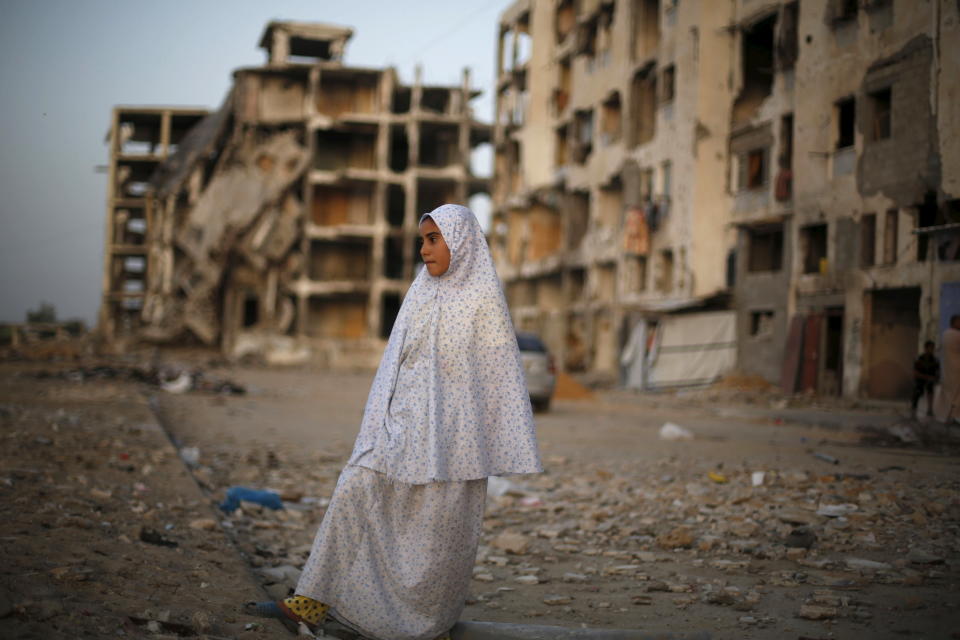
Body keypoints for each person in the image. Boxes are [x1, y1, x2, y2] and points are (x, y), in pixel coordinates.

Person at [246, 204, 542, 640]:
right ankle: (310, 599)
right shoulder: (419, 290)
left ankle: (418, 626)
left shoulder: (484, 302)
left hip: (453, 448)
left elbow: (498, 385)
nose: (424, 250)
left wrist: (479, 445)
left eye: (433, 239)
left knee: (433, 540)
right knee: (356, 488)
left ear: (460, 242)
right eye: (422, 240)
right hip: (399, 431)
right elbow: (394, 365)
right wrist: (378, 425)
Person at [934, 314, 960, 424]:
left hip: (947, 368)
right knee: (956, 394)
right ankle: (955, 416)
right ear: (954, 322)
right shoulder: (956, 335)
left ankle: (946, 416)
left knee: (949, 393)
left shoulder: (945, 334)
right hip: (956, 368)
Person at [911, 340, 939, 417]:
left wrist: (934, 378)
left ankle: (930, 410)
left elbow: (937, 373)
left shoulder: (935, 360)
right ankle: (913, 410)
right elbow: (915, 373)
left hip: (930, 381)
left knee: (930, 389)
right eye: (930, 348)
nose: (932, 350)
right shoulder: (919, 359)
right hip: (920, 380)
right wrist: (926, 377)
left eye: (933, 348)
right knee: (917, 391)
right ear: (926, 348)